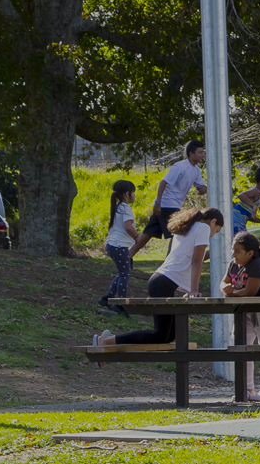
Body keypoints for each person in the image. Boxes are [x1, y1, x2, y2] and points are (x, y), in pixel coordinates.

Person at [93, 208, 222, 347]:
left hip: (160, 280)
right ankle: (106, 341)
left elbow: (193, 257)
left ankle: (108, 339)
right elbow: (196, 262)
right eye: (216, 230)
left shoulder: (189, 226)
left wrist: (216, 253)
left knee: (168, 335)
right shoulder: (203, 228)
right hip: (163, 283)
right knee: (160, 335)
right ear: (213, 221)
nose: (213, 235)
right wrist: (194, 290)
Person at [223, 231, 260, 402]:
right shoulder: (233, 264)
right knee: (244, 347)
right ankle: (248, 389)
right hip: (244, 311)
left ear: (249, 253)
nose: (233, 254)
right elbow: (225, 281)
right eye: (232, 250)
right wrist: (225, 288)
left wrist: (231, 293)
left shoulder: (257, 264)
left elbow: (250, 291)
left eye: (238, 251)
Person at [130, 140, 208, 255]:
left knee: (148, 233)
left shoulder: (196, 170)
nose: (202, 155)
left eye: (203, 152)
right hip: (168, 204)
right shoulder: (180, 166)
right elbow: (164, 182)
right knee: (176, 233)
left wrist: (205, 188)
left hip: (171, 204)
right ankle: (169, 261)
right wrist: (158, 202)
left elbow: (200, 187)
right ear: (191, 153)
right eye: (200, 152)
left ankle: (128, 257)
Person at [99, 179, 140, 316]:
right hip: (119, 246)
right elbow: (128, 227)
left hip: (112, 245)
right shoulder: (126, 208)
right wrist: (137, 237)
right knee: (125, 274)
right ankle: (121, 304)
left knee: (123, 272)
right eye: (133, 192)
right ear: (127, 194)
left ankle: (107, 298)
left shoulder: (118, 207)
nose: (134, 195)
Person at [231, 167, 260, 234]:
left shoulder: (257, 195)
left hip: (239, 225)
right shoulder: (256, 191)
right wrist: (253, 205)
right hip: (236, 224)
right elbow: (240, 195)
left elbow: (250, 217)